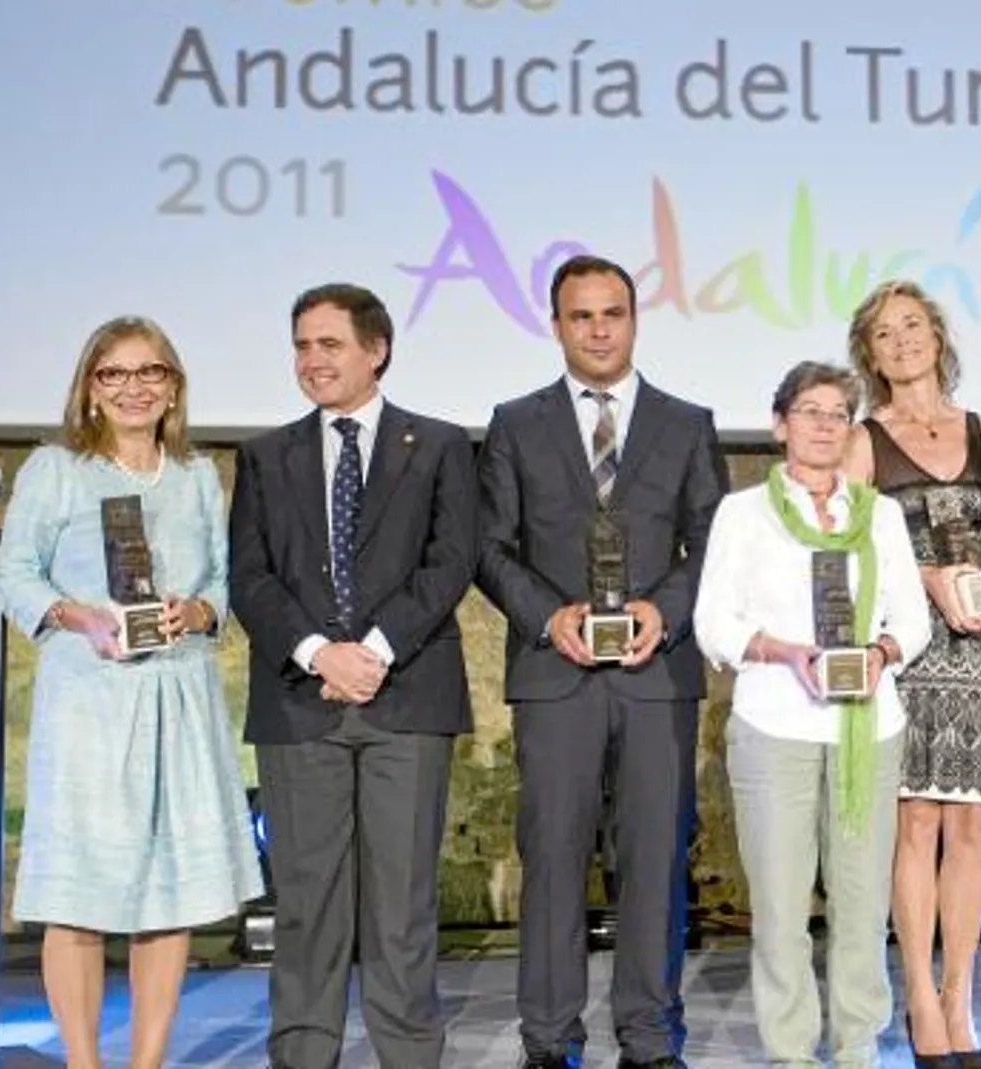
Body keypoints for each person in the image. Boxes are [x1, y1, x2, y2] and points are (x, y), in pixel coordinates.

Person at [476, 255, 728, 1069]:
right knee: (552, 858)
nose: (597, 329)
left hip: (658, 675)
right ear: (556, 325)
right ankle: (548, 1040)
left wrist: (666, 608)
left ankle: (650, 1037)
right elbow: (490, 547)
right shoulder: (515, 422)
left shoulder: (688, 422)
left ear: (633, 319)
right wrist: (550, 617)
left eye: (612, 313)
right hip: (557, 675)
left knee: (655, 858)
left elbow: (711, 542)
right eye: (580, 316)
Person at [0, 316, 263, 1069]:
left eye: (152, 373)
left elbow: (224, 584)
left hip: (178, 699)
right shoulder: (56, 469)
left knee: (166, 894)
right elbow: (16, 575)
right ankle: (85, 1062)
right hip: (89, 701)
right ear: (89, 387)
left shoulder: (197, 476)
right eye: (115, 373)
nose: (134, 387)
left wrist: (199, 611)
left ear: (173, 387)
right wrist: (80, 616)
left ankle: (146, 1062)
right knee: (79, 898)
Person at [229, 284, 478, 1069]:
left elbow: (451, 562)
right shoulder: (265, 457)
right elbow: (251, 577)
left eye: (329, 344)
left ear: (377, 349)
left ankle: (408, 1055)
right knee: (306, 905)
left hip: (405, 696)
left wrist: (369, 649)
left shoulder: (438, 446)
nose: (312, 360)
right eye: (301, 345)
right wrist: (316, 652)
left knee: (402, 906)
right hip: (301, 703)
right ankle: (304, 1056)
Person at [694, 361, 933, 1068]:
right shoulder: (743, 512)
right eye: (810, 411)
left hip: (869, 727)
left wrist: (881, 650)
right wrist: (784, 651)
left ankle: (857, 1045)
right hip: (775, 730)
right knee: (780, 909)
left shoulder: (880, 515)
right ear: (780, 425)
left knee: (863, 908)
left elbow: (913, 620)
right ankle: (792, 1052)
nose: (825, 424)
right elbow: (714, 621)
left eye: (838, 413)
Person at [841, 280, 981, 1069]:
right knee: (916, 824)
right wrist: (929, 579)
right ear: (870, 355)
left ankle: (960, 997)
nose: (904, 340)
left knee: (974, 824)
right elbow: (850, 551)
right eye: (886, 333)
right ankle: (918, 994)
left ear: (939, 337)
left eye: (914, 325)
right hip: (913, 648)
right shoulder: (862, 439)